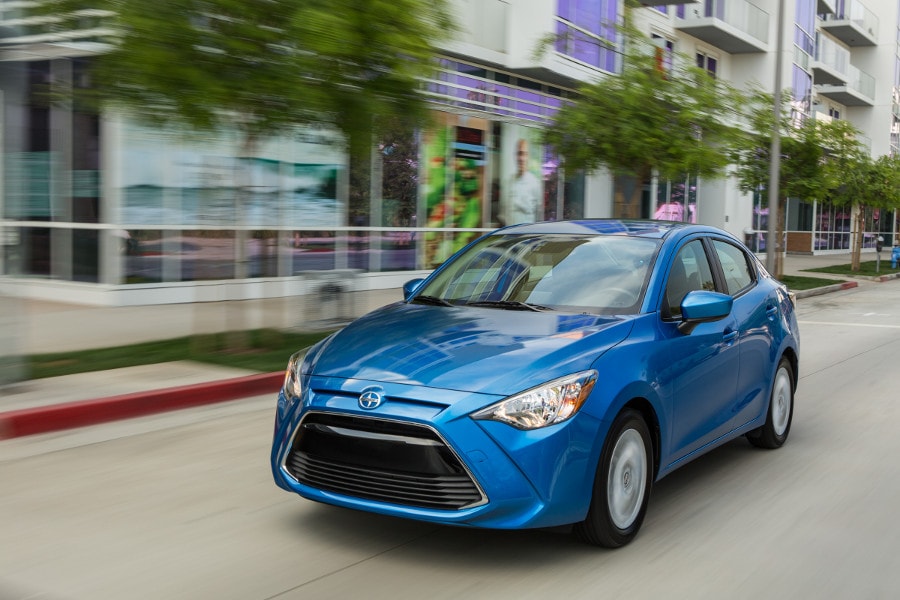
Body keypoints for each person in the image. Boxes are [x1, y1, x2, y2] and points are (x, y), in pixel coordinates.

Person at [503, 138, 542, 225]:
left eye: (524, 154)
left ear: (528, 157)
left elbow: (539, 215)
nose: (521, 158)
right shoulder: (509, 182)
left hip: (527, 235)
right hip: (510, 234)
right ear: (515, 156)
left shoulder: (535, 183)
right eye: (519, 153)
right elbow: (504, 213)